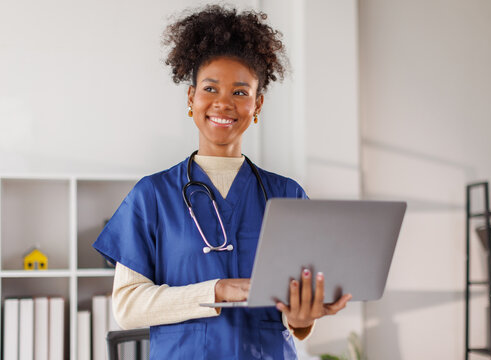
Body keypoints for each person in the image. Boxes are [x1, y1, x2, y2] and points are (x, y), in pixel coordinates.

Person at [93, 5, 351, 359]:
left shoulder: (287, 194)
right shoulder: (151, 195)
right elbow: (127, 307)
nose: (223, 103)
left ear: (257, 104)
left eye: (241, 93)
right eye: (210, 88)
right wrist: (219, 290)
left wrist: (303, 319)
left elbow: (298, 317)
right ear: (191, 98)